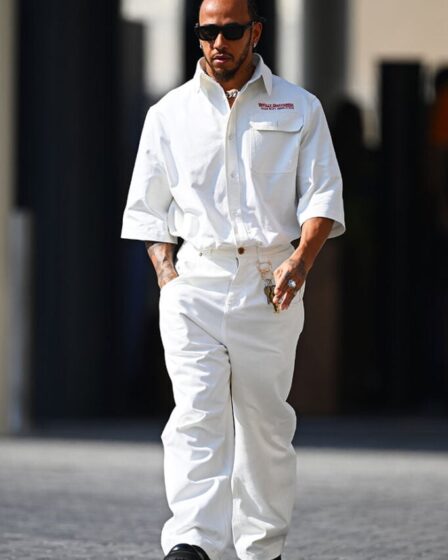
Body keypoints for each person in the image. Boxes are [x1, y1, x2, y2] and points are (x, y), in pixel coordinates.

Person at [121, 1, 345, 559]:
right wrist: (168, 277)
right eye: (207, 31)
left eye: (231, 30)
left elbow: (321, 197)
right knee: (195, 414)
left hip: (268, 282)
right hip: (193, 280)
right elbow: (148, 211)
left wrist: (301, 261)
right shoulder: (168, 114)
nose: (218, 42)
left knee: (264, 428)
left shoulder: (299, 106)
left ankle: (258, 550)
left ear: (256, 32)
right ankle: (192, 543)